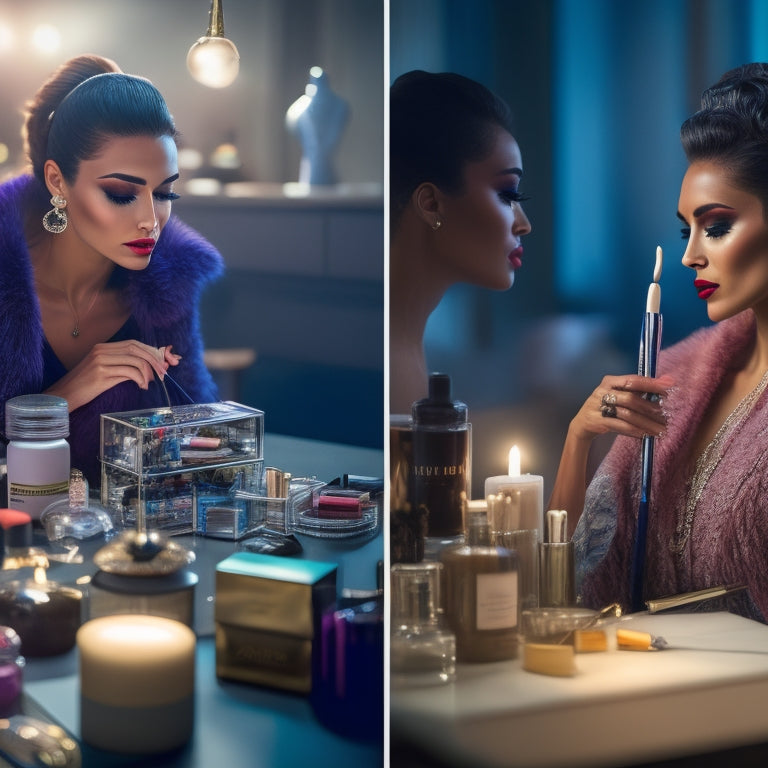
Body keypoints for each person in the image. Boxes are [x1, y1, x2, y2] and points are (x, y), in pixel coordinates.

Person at [549, 62, 768, 622]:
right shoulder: (678, 375)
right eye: (684, 230)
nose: (691, 254)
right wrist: (578, 440)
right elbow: (563, 583)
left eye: (715, 225)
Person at [0, 54, 224, 486]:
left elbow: (199, 446)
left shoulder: (167, 290)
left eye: (164, 194)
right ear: (57, 181)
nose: (150, 220)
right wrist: (66, 395)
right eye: (122, 193)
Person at [389, 70, 532, 413]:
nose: (523, 225)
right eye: (507, 194)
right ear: (431, 203)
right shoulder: (387, 358)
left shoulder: (408, 349)